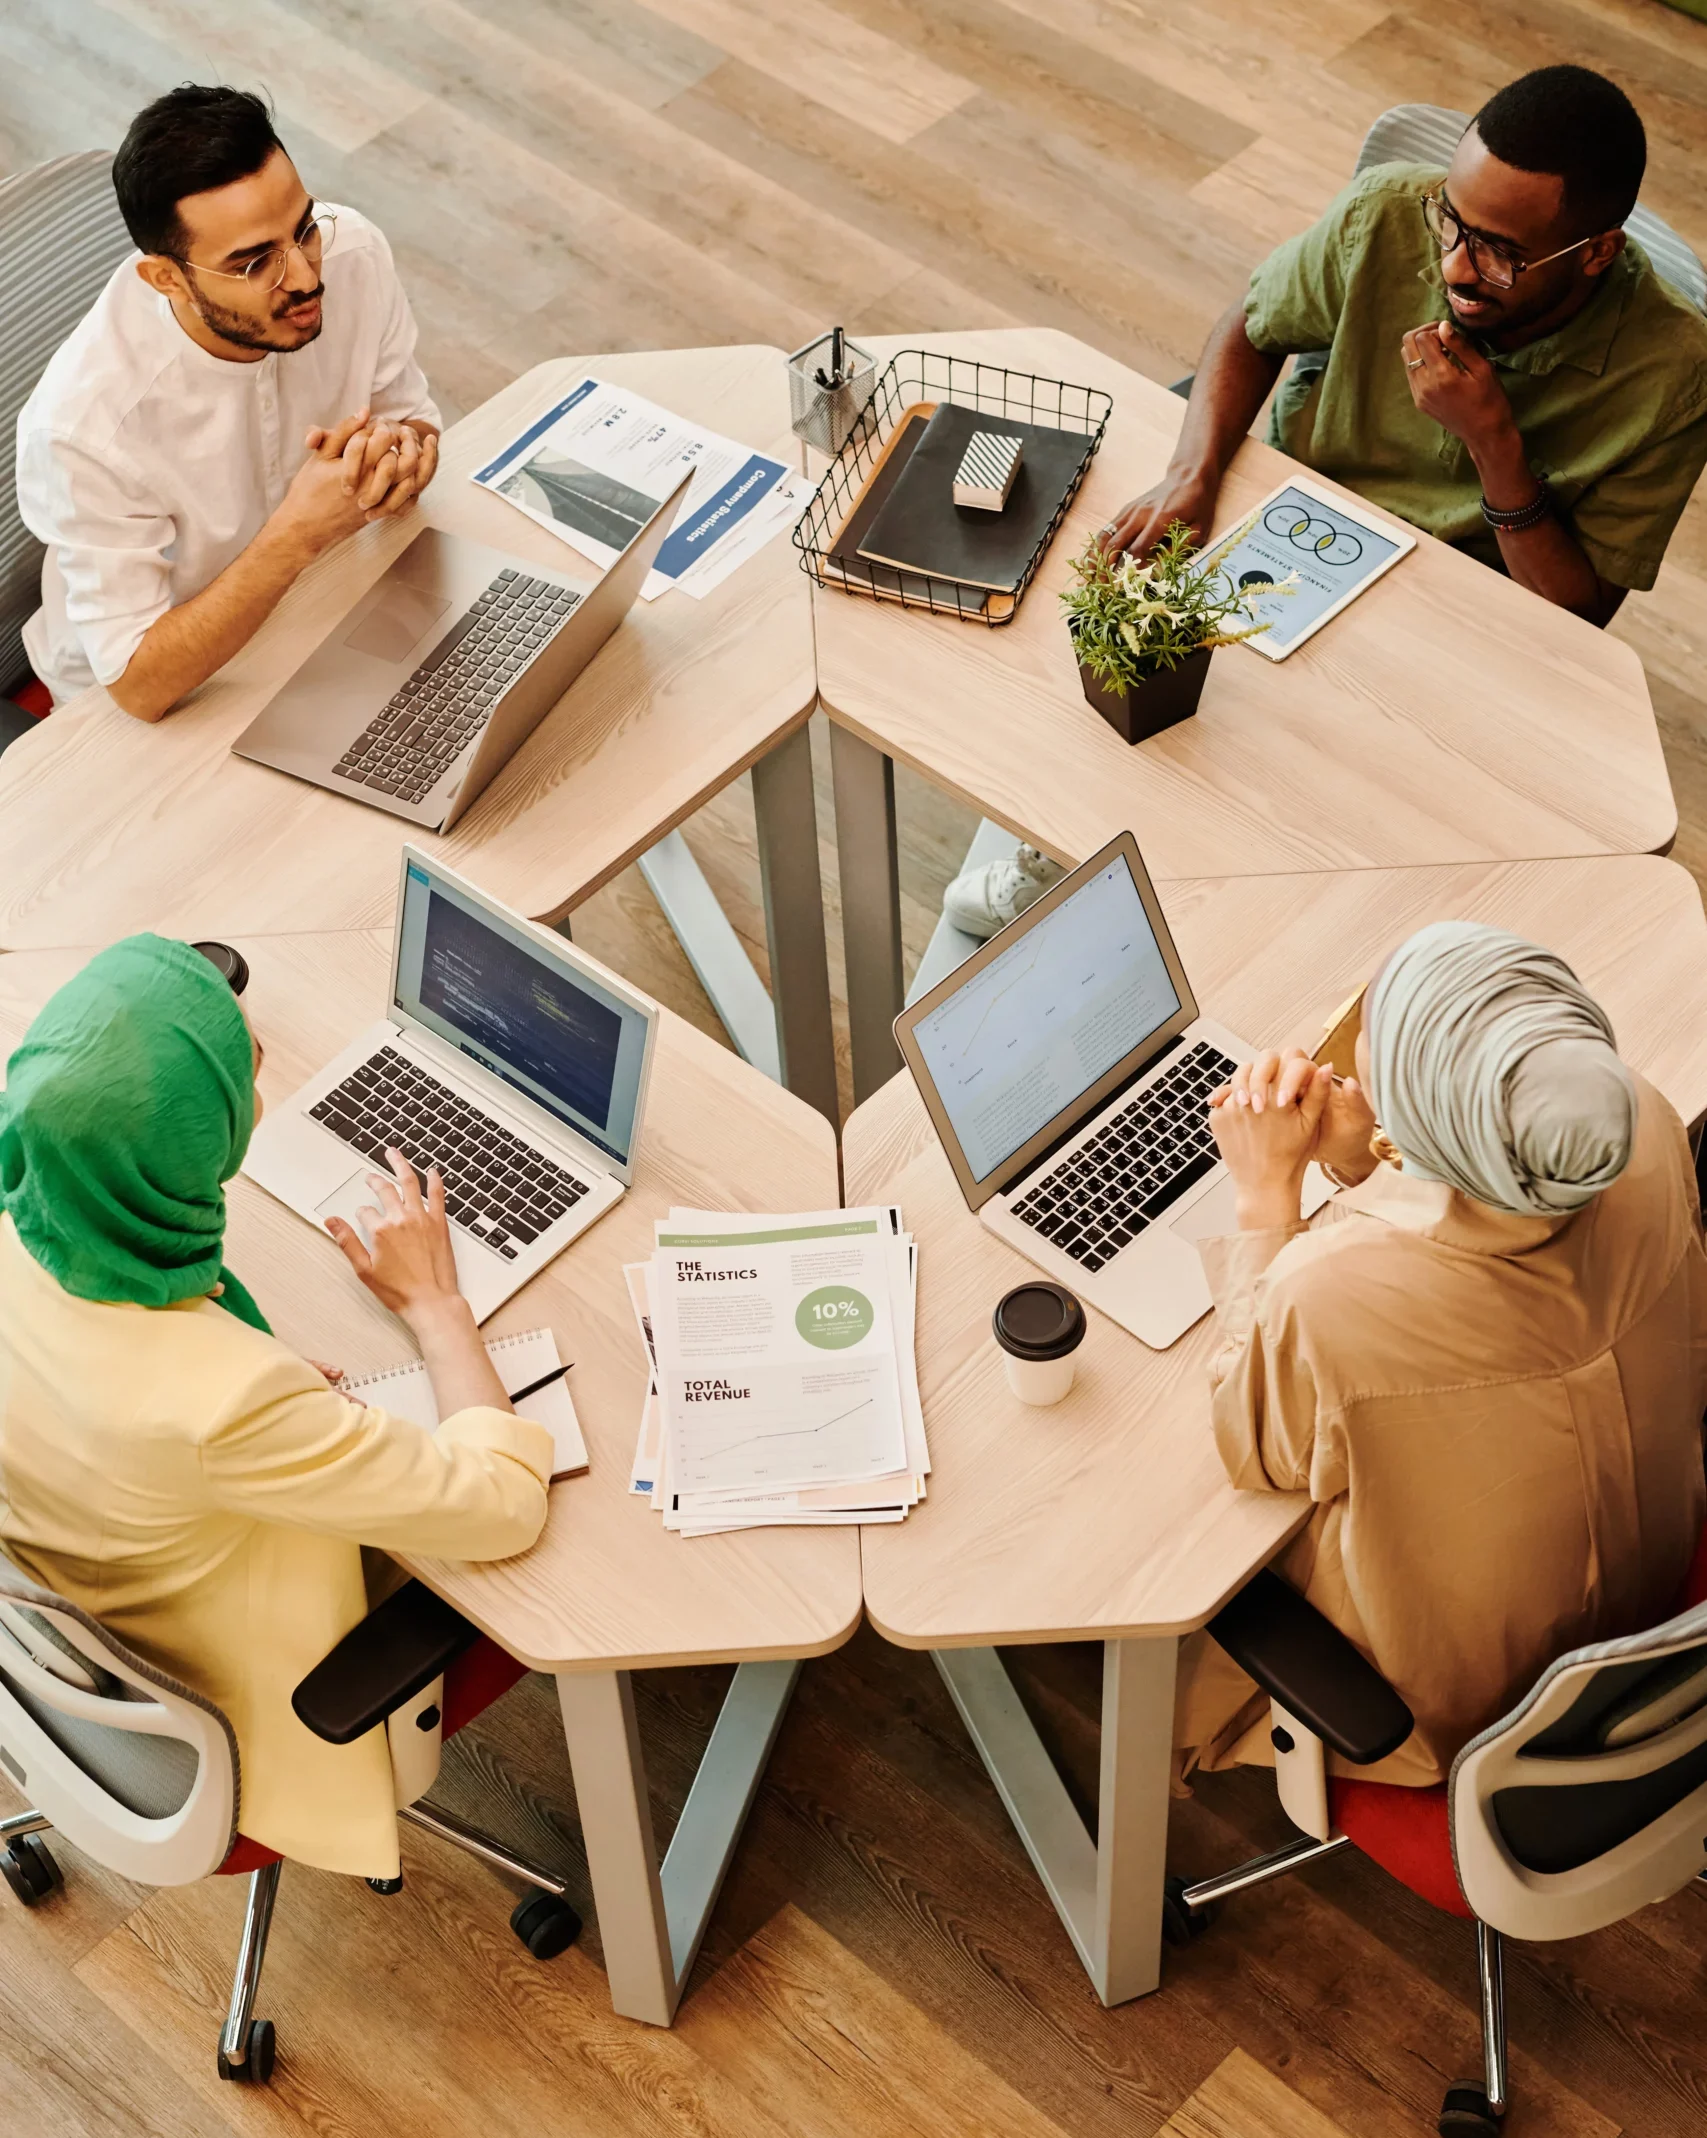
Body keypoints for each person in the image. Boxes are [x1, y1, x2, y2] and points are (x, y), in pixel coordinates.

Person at [0, 936, 551, 1879]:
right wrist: (434, 1304)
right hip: (260, 1692)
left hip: (88, 1600)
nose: (258, 1096)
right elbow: (503, 1504)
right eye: (243, 1079)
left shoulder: (34, 1220)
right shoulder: (224, 1403)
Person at [1174, 921, 1707, 1790]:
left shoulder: (1330, 1293)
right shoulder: (1636, 1121)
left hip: (1472, 1703)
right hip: (1658, 1588)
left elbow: (1257, 1449)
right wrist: (1370, 1155)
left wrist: (1265, 1194)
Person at [1106, 65, 1707, 629]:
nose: (1453, 267)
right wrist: (1191, 474)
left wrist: (1493, 444)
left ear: (1596, 253)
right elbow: (1252, 324)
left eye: (1499, 252)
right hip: (1296, 516)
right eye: (1450, 219)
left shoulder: (1677, 374)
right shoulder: (1383, 212)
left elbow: (1579, 616)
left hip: (1465, 608)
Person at [15, 85, 441, 721]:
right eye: (252, 264)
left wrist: (399, 454)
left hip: (324, 600)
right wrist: (298, 534)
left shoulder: (352, 252)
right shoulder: (85, 428)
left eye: (302, 229)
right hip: (159, 692)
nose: (303, 276)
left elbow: (411, 419)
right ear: (166, 279)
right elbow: (137, 686)